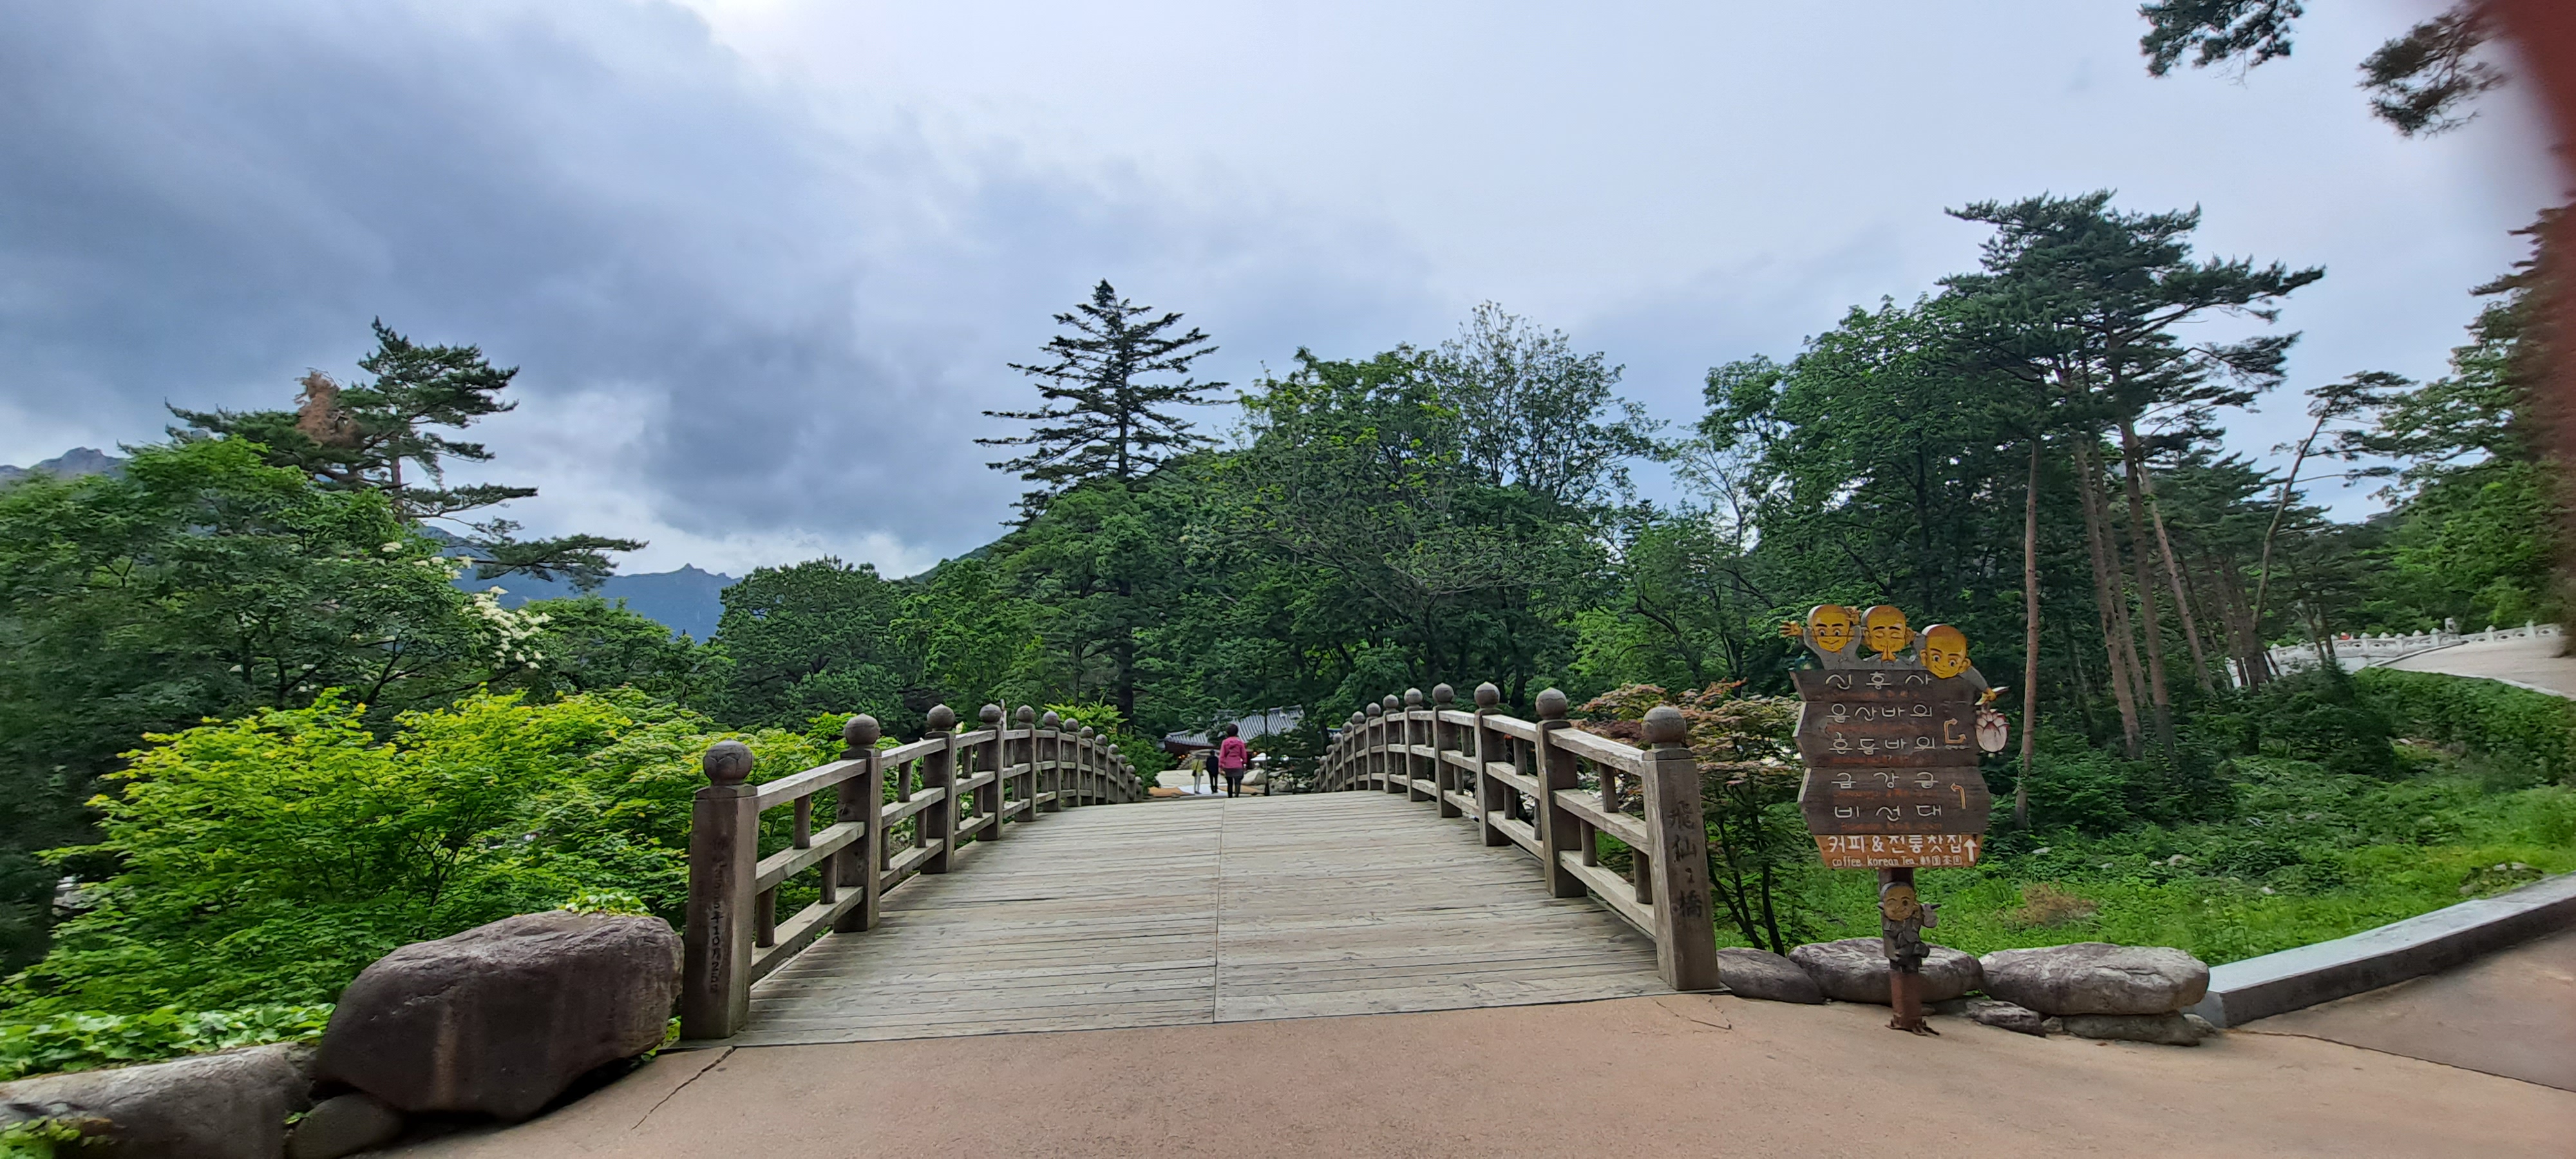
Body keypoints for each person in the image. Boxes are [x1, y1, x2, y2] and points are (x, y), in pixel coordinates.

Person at [1217, 724, 1249, 798]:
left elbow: (1222, 755)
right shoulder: (1240, 742)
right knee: (1238, 781)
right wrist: (1244, 763)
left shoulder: (1225, 742)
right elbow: (1244, 754)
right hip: (1238, 764)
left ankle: (1230, 795)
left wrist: (1221, 765)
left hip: (1228, 765)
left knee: (1229, 782)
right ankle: (1237, 794)